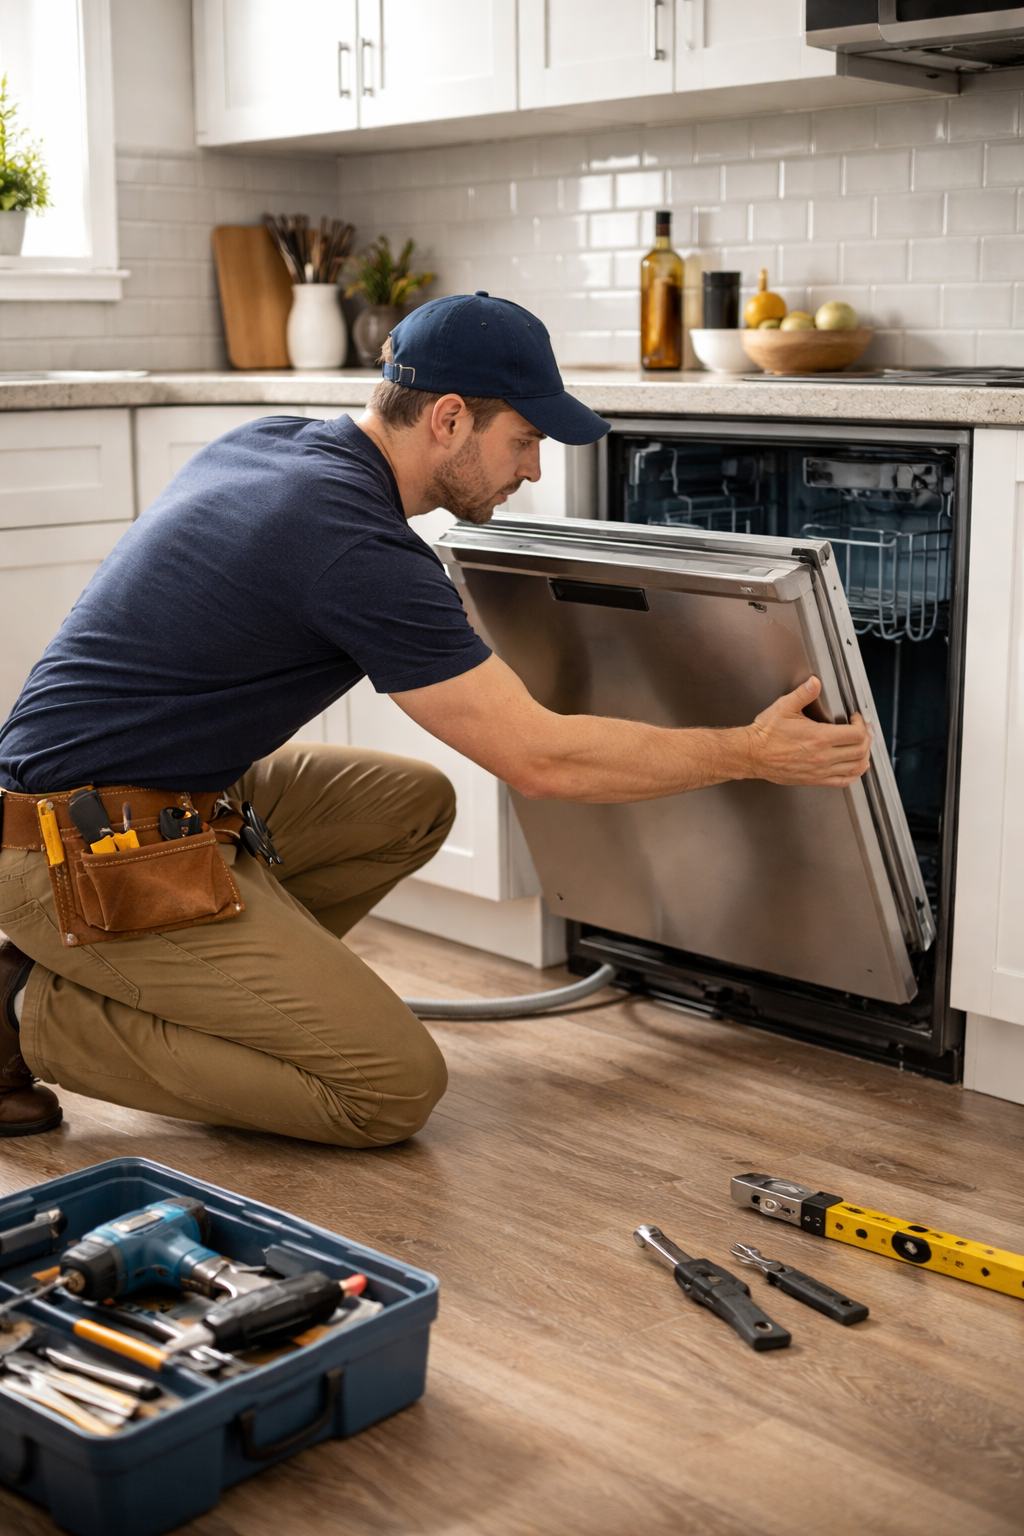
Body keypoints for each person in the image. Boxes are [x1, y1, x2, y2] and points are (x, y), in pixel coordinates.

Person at [0, 292, 872, 1144]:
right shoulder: (353, 546)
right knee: (387, 1089)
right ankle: (22, 1010)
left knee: (407, 801)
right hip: (71, 852)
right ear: (449, 419)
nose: (532, 469)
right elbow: (546, 762)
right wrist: (753, 750)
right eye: (524, 439)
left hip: (127, 800)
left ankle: (195, 981)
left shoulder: (280, 450)